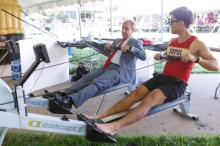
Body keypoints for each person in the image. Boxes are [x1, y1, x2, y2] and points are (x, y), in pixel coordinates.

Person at [85, 6, 219, 136]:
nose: (169, 24)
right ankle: (99, 116)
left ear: (181, 23)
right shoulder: (173, 41)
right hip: (163, 77)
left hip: (177, 84)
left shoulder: (197, 43)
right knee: (135, 93)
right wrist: (162, 56)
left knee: (150, 98)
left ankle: (113, 127)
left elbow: (215, 65)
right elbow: (172, 57)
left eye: (171, 21)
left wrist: (196, 59)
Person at [52, 19, 146, 109]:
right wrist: (107, 47)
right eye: (122, 28)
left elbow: (143, 56)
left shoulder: (136, 42)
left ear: (132, 30)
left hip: (120, 71)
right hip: (107, 66)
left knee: (97, 82)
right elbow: (109, 52)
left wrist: (131, 48)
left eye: (126, 28)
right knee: (87, 77)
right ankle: (64, 94)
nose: (123, 30)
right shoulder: (117, 41)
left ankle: (70, 101)